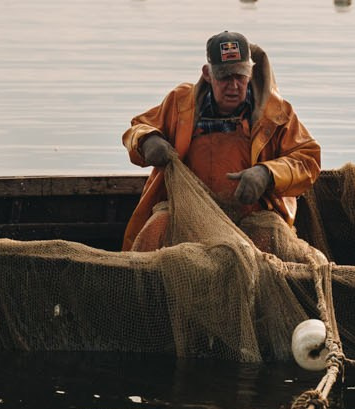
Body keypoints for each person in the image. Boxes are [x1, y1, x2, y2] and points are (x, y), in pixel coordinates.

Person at [122, 31, 322, 256]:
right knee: (156, 228)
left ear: (250, 72)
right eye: (225, 76)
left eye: (240, 76)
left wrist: (266, 173)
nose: (234, 86)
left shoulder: (276, 112)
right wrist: (149, 140)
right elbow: (138, 128)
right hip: (186, 210)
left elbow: (308, 159)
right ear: (208, 74)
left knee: (273, 239)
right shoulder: (180, 102)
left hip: (252, 216)